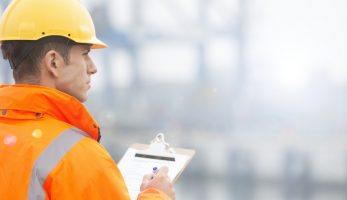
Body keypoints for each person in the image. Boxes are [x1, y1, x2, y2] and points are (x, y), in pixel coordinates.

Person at [0, 0, 175, 199]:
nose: (93, 68)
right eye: (85, 54)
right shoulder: (78, 158)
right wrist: (157, 195)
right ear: (54, 62)